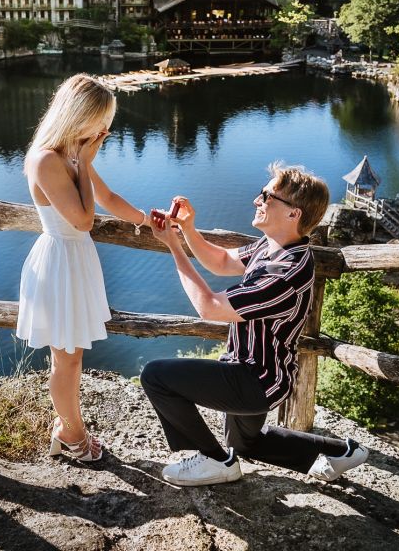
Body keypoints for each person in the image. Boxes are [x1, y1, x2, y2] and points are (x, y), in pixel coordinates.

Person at [141, 163, 369, 486]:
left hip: (255, 379)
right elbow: (222, 262)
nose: (257, 200)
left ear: (294, 214)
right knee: (245, 443)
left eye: (267, 196)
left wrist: (173, 246)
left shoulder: (283, 274)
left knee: (155, 377)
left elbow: (209, 306)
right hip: (261, 372)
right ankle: (342, 451)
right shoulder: (276, 245)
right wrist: (188, 230)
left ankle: (216, 461)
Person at [18, 73, 151, 463]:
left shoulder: (72, 154)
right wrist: (84, 165)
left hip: (76, 261)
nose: (105, 130)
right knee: (67, 358)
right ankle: (71, 434)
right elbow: (83, 219)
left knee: (72, 356)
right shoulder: (47, 159)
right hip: (60, 260)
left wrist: (146, 220)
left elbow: (106, 196)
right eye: (101, 120)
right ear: (79, 115)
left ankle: (69, 427)